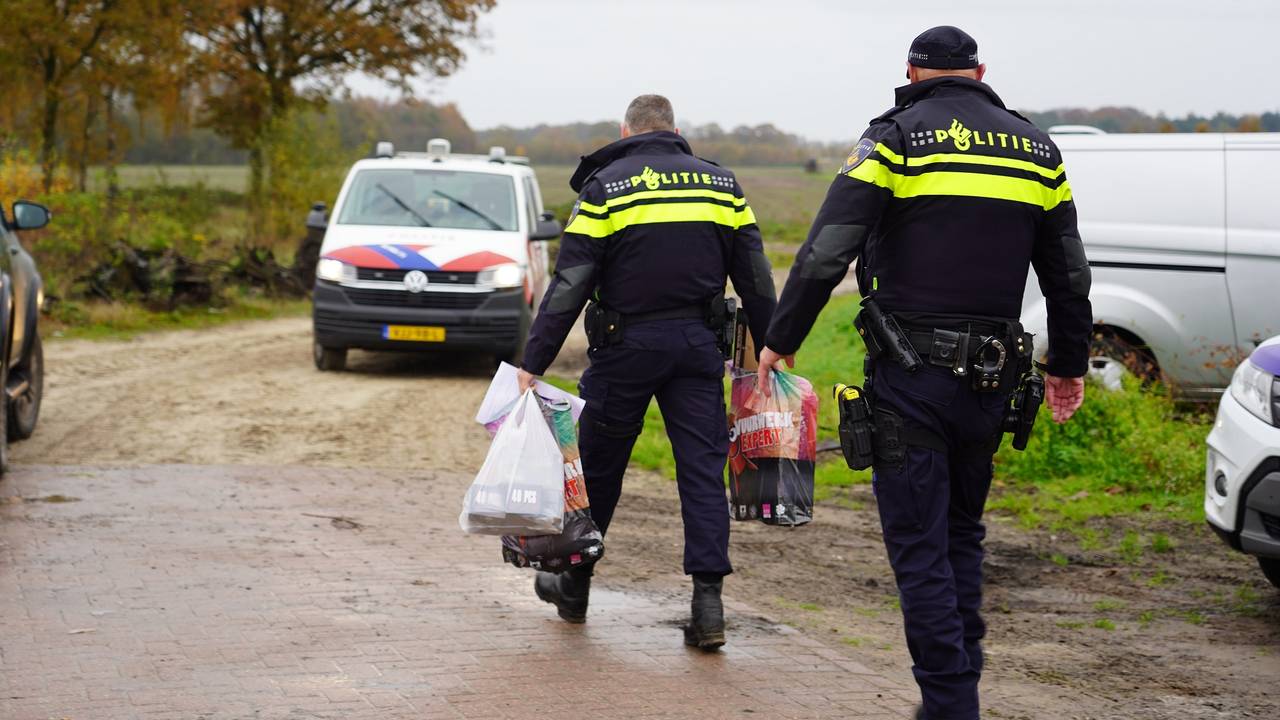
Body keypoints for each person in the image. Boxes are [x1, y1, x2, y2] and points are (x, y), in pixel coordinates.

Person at [756, 27, 1091, 719]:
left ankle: (949, 704)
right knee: (961, 534)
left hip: (913, 379)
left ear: (911, 73)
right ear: (981, 72)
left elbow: (827, 252)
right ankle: (957, 690)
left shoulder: (896, 138)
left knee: (918, 545)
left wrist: (782, 338)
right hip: (994, 385)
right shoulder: (1037, 148)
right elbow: (1068, 272)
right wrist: (1069, 364)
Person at [515, 94, 778, 650]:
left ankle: (576, 586)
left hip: (625, 348)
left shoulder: (606, 187)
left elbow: (570, 285)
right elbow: (754, 274)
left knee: (600, 470)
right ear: (676, 131)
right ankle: (709, 607)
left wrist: (533, 361)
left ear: (625, 130)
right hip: (696, 349)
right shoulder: (721, 185)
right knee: (702, 473)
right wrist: (776, 341)